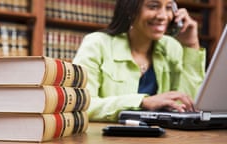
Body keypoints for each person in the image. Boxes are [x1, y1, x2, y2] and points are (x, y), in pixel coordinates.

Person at [73, 0, 206, 122]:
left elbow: (188, 105)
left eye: (169, 8)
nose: (163, 16)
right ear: (131, 9)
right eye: (153, 6)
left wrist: (191, 46)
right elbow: (80, 104)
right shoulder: (97, 44)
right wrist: (142, 102)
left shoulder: (171, 48)